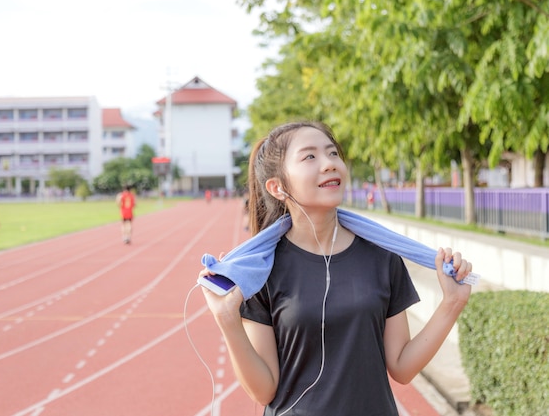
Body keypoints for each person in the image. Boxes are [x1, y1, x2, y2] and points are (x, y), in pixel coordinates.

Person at [198, 121, 472, 415]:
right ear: (277, 187)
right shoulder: (259, 270)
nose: (329, 164)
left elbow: (402, 368)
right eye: (310, 157)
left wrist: (452, 304)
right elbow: (264, 389)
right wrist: (227, 319)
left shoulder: (382, 255)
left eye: (332, 153)